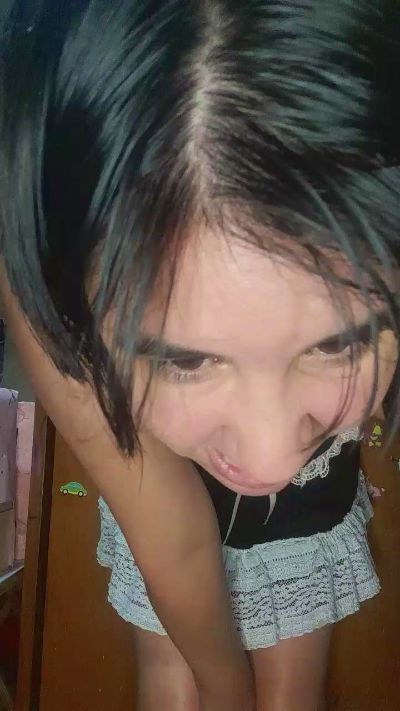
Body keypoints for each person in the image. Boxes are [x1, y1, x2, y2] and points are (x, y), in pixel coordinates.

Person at [0, 1, 399, 709]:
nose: (271, 461)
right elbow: (174, 545)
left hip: (310, 509)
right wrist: (226, 688)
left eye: (341, 342)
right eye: (184, 361)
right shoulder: (43, 263)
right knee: (177, 667)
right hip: (162, 486)